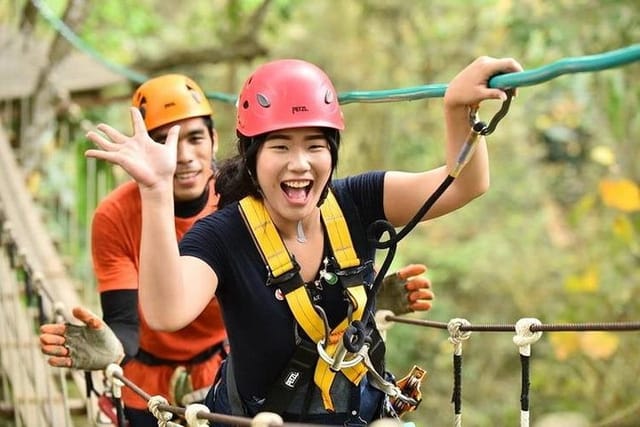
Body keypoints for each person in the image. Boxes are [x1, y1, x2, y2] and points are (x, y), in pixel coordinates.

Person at [81, 55, 521, 425]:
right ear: (252, 160)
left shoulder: (359, 201)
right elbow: (166, 310)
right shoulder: (224, 234)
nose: (299, 165)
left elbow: (462, 184)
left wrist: (458, 112)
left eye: (315, 145)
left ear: (333, 152)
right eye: (279, 147)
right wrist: (156, 192)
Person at [41, 74, 228, 427]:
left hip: (224, 369)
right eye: (163, 142)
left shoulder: (240, 203)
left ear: (215, 140)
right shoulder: (115, 216)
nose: (183, 156)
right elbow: (125, 323)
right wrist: (112, 348)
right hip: (144, 380)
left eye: (195, 138)